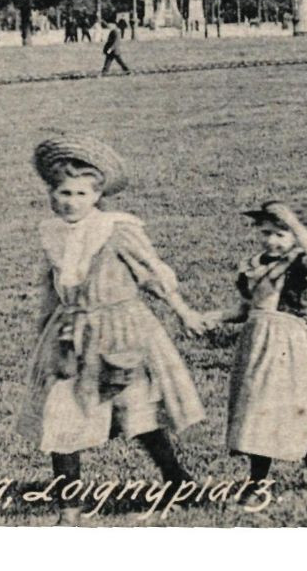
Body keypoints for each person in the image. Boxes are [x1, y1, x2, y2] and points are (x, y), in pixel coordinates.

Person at [16, 136, 208, 524]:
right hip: (71, 334)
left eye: (80, 193)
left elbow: (153, 275)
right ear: (51, 194)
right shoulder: (52, 233)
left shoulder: (116, 230)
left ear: (96, 194)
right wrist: (44, 333)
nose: (70, 200)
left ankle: (178, 482)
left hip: (121, 330)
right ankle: (70, 508)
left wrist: (184, 312)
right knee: (61, 413)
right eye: (62, 192)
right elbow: (51, 287)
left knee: (137, 413)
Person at [210, 199, 307, 489]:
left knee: (301, 403)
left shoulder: (299, 264)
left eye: (280, 234)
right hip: (257, 346)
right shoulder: (252, 267)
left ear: (294, 236)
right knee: (259, 407)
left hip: (291, 343)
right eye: (266, 233)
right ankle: (257, 480)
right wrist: (213, 317)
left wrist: (294, 222)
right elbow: (245, 309)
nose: (272, 241)